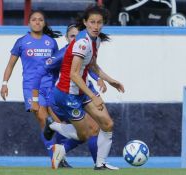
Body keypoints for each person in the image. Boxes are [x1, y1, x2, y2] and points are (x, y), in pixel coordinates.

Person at [43, 5, 125, 170]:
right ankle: (52, 124)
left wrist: (110, 80)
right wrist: (93, 96)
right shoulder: (82, 43)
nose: (96, 26)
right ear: (85, 23)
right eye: (92, 22)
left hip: (81, 89)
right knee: (85, 134)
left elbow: (93, 65)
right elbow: (74, 74)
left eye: (99, 22)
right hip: (66, 93)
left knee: (107, 124)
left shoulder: (97, 40)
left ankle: (100, 164)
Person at [31, 24, 106, 168]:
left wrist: (98, 79)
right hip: (64, 97)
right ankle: (98, 165)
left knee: (89, 130)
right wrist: (35, 99)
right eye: (72, 36)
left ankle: (62, 149)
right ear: (66, 38)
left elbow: (89, 67)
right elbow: (40, 71)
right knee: (91, 128)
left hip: (78, 96)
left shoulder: (84, 49)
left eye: (78, 36)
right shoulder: (63, 53)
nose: (76, 39)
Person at [0, 10, 65, 167]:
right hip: (31, 88)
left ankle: (61, 156)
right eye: (34, 20)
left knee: (59, 123)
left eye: (40, 20)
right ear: (29, 23)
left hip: (49, 87)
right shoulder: (22, 42)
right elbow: (10, 65)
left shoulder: (51, 42)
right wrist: (4, 83)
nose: (37, 22)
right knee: (43, 119)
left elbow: (57, 64)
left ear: (44, 23)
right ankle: (56, 159)